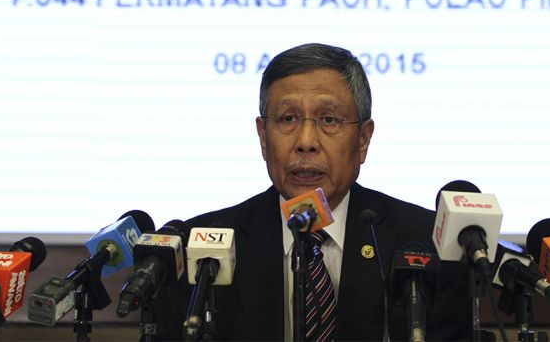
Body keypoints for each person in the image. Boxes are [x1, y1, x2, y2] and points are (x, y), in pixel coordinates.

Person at [157, 43, 471, 340]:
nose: (306, 141)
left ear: (363, 139)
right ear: (263, 137)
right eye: (288, 119)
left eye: (329, 119)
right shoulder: (197, 251)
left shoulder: (427, 244)